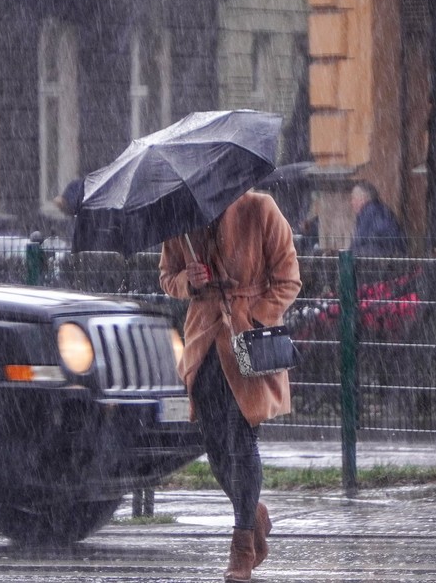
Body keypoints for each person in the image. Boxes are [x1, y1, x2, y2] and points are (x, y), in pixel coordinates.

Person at [159, 190, 301, 583]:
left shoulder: (260, 208)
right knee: (216, 448)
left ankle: (242, 544)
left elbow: (288, 278)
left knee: (241, 441)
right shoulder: (180, 220)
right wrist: (189, 280)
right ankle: (253, 512)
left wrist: (254, 316)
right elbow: (167, 277)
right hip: (203, 343)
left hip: (247, 345)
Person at [349, 180, 407, 256]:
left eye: (353, 198)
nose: (351, 202)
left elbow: (359, 242)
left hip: (382, 259)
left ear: (362, 199)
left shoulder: (370, 213)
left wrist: (349, 254)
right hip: (390, 257)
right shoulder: (377, 210)